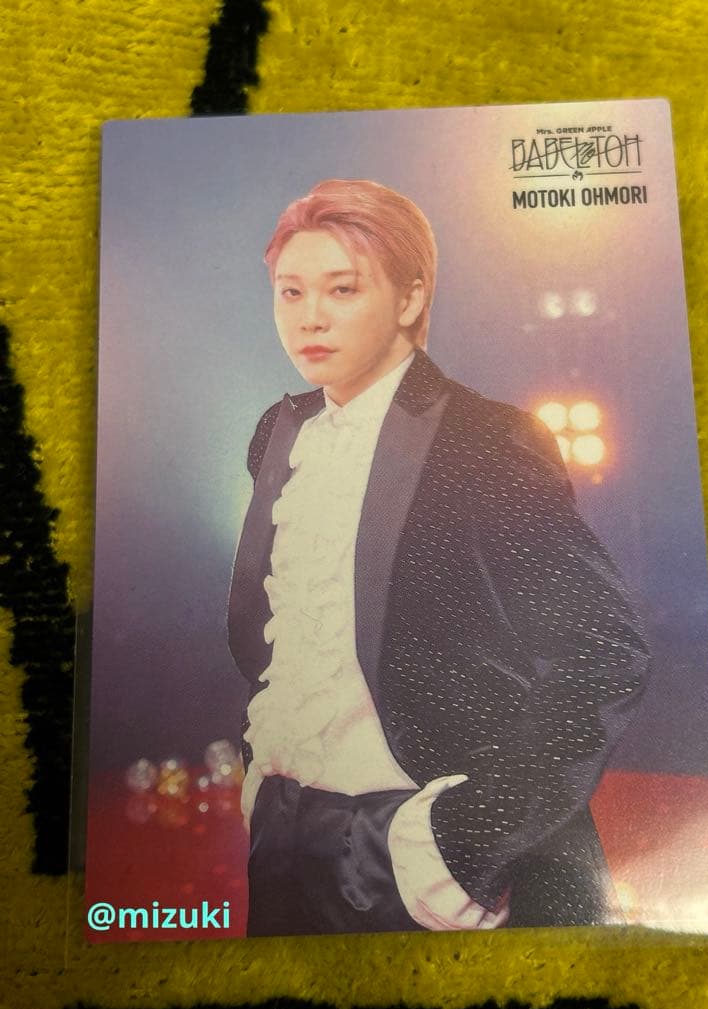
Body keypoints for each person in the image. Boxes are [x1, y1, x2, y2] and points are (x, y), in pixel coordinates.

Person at [228, 178, 649, 937]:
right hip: (283, 833)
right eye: (290, 292)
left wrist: (464, 841)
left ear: (411, 297)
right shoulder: (277, 433)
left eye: (342, 288)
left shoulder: (486, 438)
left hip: (419, 849)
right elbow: (283, 634)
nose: (309, 316)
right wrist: (268, 775)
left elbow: (602, 654)